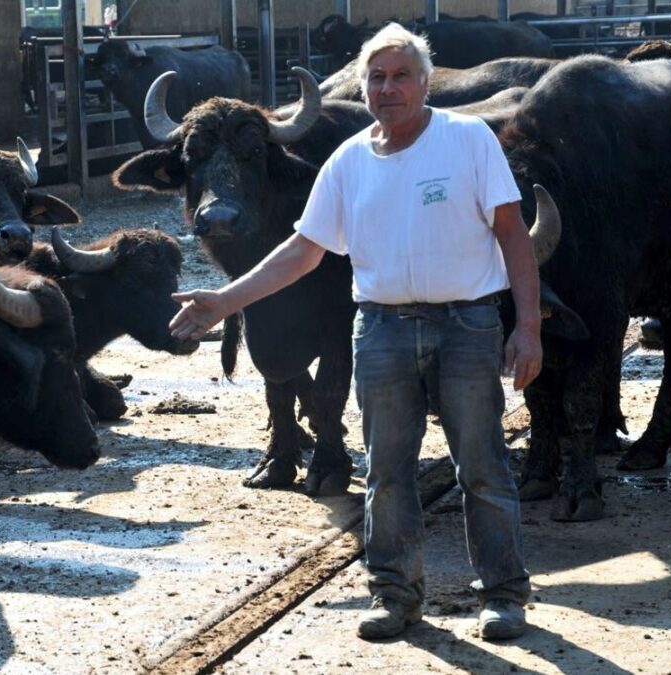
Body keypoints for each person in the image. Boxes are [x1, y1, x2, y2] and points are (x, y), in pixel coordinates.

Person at [168, 23, 540, 641]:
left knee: (482, 466)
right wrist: (223, 300)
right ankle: (394, 596)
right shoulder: (346, 161)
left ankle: (503, 596)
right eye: (377, 77)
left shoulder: (469, 140)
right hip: (382, 331)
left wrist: (526, 327)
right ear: (364, 88)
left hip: (466, 325)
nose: (388, 88)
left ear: (425, 83)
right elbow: (304, 250)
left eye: (400, 76)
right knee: (387, 473)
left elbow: (513, 238)